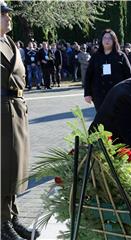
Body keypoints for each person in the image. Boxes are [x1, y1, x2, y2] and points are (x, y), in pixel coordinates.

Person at [0, 1, 40, 239]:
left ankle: (12, 217)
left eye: (7, 13)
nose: (8, 17)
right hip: (2, 110)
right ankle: (2, 223)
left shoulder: (9, 42)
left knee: (16, 169)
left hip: (15, 108)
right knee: (3, 169)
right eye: (3, 14)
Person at [84, 29, 131, 111]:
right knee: (102, 120)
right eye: (105, 38)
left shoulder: (121, 56)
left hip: (118, 94)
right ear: (101, 40)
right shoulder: (96, 56)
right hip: (99, 95)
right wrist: (87, 94)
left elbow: (129, 76)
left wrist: (129, 93)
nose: (107, 40)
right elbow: (88, 75)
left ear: (114, 40)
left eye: (110, 38)